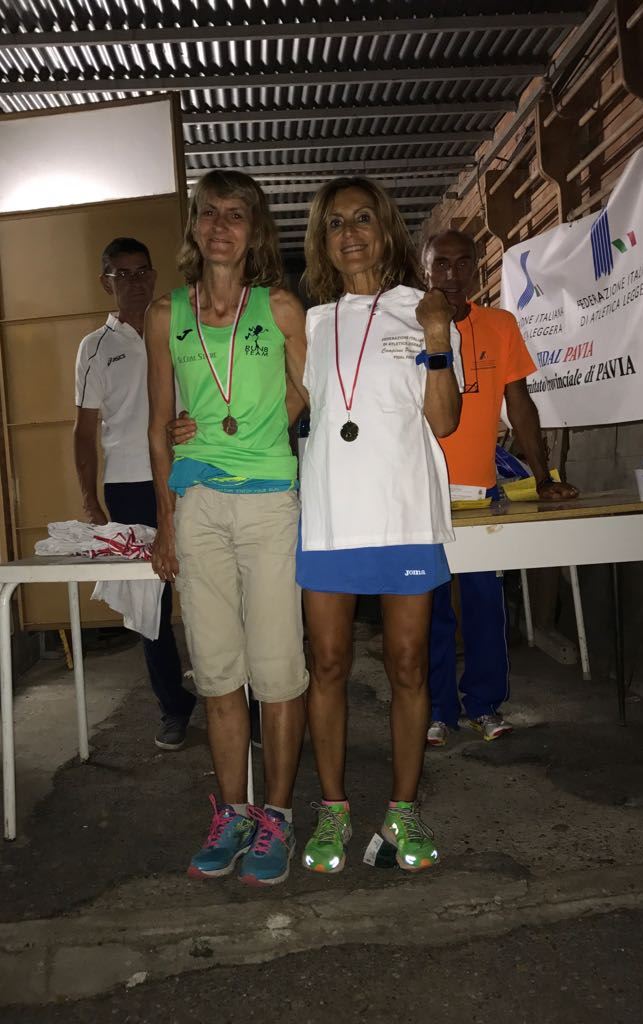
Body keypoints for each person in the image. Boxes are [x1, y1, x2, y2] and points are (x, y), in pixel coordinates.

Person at [145, 170, 309, 887]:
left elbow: (311, 390)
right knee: (216, 673)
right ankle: (234, 813)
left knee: (276, 672)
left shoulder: (280, 307)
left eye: (235, 214)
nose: (220, 225)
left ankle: (278, 815)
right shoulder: (165, 313)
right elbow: (159, 425)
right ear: (193, 225)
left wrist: (269, 421)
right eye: (208, 212)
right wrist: (165, 524)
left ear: (255, 230)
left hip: (269, 504)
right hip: (199, 507)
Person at [296, 177, 463, 874]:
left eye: (362, 218)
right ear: (323, 241)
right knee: (327, 665)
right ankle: (333, 809)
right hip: (331, 518)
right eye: (336, 223)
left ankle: (403, 809)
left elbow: (444, 421)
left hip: (403, 513)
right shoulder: (310, 323)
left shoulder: (422, 310)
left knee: (408, 665)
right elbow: (282, 407)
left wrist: (436, 338)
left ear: (386, 229)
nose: (350, 233)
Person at [421, 230, 579, 747]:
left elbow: (521, 404)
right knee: (429, 611)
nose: (452, 274)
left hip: (480, 494)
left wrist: (543, 477)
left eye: (463, 263)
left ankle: (484, 705)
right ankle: (437, 710)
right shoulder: (406, 326)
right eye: (441, 264)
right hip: (420, 497)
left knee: (485, 606)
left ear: (477, 269)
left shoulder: (500, 325)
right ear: (425, 269)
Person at [73, 237, 196, 751]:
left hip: (190, 473)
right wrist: (91, 501)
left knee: (215, 590)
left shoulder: (181, 326)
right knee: (150, 606)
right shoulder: (95, 347)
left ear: (154, 274)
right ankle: (173, 707)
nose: (135, 282)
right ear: (106, 282)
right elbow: (84, 432)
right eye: (121, 274)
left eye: (142, 271)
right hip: (128, 486)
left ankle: (243, 703)